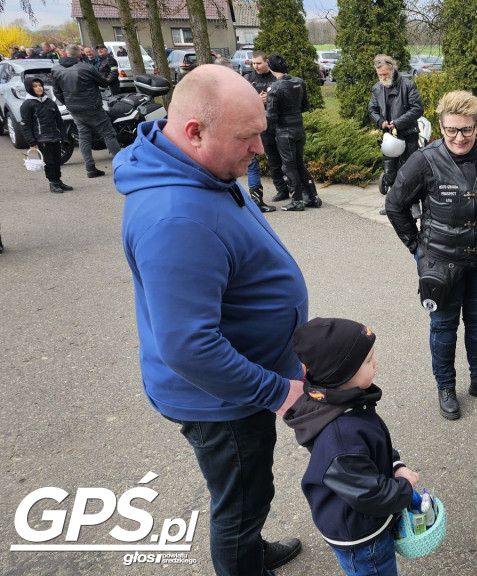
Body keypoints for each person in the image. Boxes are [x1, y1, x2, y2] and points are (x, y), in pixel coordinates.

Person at [114, 64, 306, 575]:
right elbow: (189, 347)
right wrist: (278, 392)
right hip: (221, 399)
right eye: (248, 138)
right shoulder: (176, 216)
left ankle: (248, 549)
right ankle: (244, 561)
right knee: (241, 498)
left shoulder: (201, 170)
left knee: (247, 489)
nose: (260, 151)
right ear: (195, 132)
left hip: (241, 383)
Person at [385, 90, 477, 421]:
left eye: (467, 130)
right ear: (441, 126)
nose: (459, 138)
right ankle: (445, 385)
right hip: (440, 261)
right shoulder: (424, 160)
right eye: (451, 130)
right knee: (443, 326)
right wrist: (416, 247)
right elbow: (395, 204)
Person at [284, 318, 421, 576]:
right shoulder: (341, 435)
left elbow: (373, 449)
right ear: (343, 374)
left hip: (363, 513)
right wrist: (404, 488)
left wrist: (396, 466)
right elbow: (371, 495)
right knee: (373, 568)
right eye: (368, 360)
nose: (376, 363)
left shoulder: (346, 403)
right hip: (361, 535)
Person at [51, 44, 122, 178]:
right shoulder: (87, 68)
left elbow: (57, 92)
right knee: (108, 134)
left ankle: (90, 168)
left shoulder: (56, 70)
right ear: (80, 54)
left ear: (66, 54)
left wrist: (68, 103)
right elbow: (104, 83)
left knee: (83, 136)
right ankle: (122, 165)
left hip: (74, 108)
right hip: (92, 107)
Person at [369, 53, 424, 213]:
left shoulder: (408, 85)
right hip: (388, 137)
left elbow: (417, 108)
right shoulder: (377, 88)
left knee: (410, 171)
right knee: (390, 172)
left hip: (408, 133)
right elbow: (372, 109)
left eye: (385, 73)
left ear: (392, 69)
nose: (383, 77)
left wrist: (398, 122)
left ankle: (414, 205)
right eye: (380, 74)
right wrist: (380, 121)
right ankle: (394, 204)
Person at [266, 54, 321, 211]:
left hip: (284, 131)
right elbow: (305, 106)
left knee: (289, 166)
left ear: (270, 68)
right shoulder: (299, 82)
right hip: (298, 127)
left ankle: (297, 201)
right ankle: (313, 197)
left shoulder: (274, 88)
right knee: (299, 163)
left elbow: (271, 116)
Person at [244, 51, 284, 212]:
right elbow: (242, 101)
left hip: (276, 122)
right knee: (264, 159)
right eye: (253, 63)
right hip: (256, 124)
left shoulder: (275, 77)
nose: (256, 66)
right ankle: (273, 191)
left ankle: (284, 188)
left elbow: (287, 97)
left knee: (279, 157)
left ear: (267, 62)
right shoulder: (249, 79)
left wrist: (271, 99)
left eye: (259, 63)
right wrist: (257, 100)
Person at [20, 77, 73, 194]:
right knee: (49, 162)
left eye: (40, 85)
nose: (39, 88)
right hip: (42, 138)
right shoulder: (28, 104)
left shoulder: (50, 102)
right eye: (35, 86)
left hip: (55, 136)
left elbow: (59, 121)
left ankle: (58, 180)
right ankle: (52, 182)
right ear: (29, 88)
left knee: (57, 160)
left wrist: (64, 136)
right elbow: (26, 125)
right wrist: (31, 142)